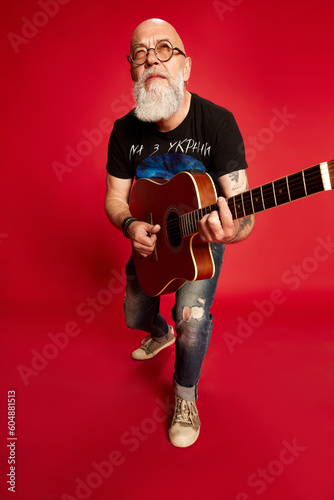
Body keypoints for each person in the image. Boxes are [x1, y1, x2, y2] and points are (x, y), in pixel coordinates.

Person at [105, 18, 254, 448]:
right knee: (134, 314)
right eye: (140, 53)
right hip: (148, 237)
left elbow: (244, 211)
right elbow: (114, 199)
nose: (151, 57)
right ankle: (158, 333)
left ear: (186, 66)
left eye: (164, 49)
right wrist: (131, 224)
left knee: (191, 320)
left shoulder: (218, 123)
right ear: (132, 69)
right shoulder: (124, 131)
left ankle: (184, 395)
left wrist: (230, 230)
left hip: (203, 242)